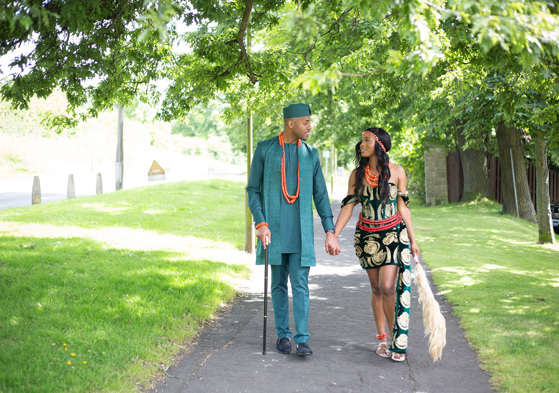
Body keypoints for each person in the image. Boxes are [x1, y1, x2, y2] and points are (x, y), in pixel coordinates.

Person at [246, 103, 339, 356]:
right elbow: (253, 189)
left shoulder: (311, 154)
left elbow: (321, 195)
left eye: (310, 121)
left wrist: (330, 230)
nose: (310, 126)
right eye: (305, 122)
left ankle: (303, 339)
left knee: (300, 283)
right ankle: (283, 336)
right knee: (278, 283)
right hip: (273, 230)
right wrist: (260, 222)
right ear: (291, 123)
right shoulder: (265, 150)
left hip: (301, 233)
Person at [329, 127, 420, 362]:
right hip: (367, 238)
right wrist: (334, 235)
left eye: (367, 140)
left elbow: (403, 207)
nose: (362, 144)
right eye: (361, 140)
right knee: (377, 289)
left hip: (392, 236)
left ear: (379, 144)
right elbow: (348, 207)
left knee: (388, 287)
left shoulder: (397, 172)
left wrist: (413, 239)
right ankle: (381, 338)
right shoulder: (356, 175)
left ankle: (395, 341)